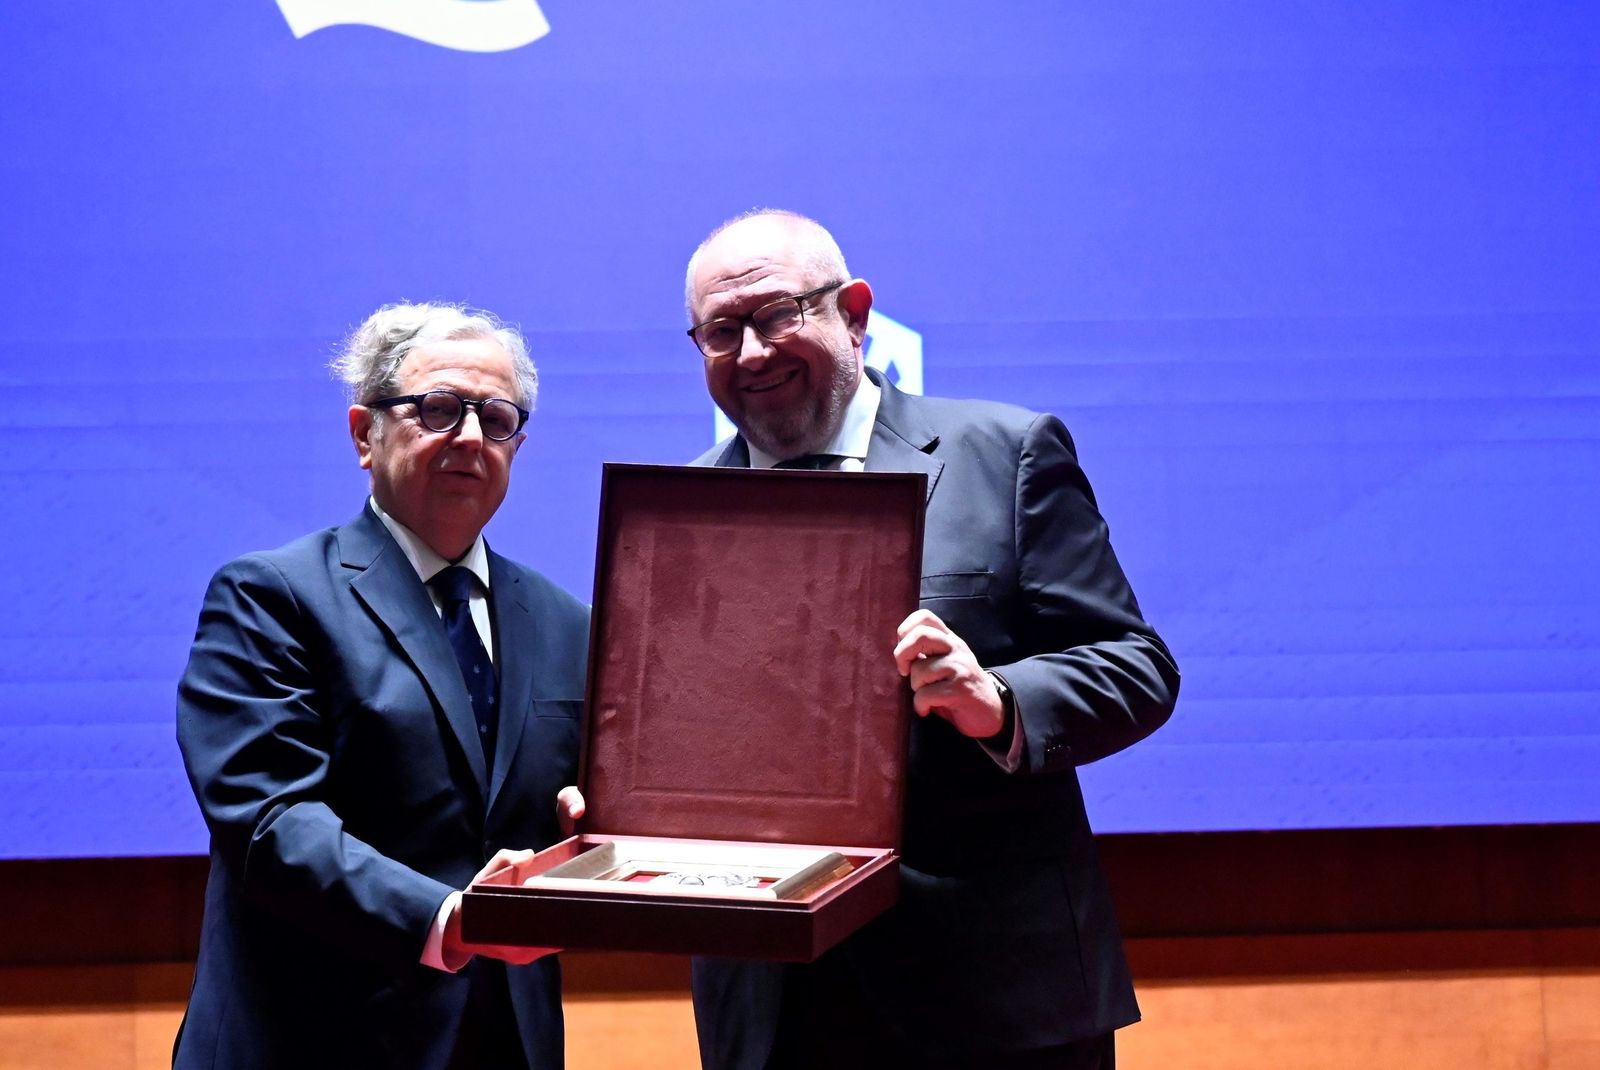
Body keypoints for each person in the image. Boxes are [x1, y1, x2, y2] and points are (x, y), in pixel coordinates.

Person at [683, 211, 1180, 1069]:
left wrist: (997, 700)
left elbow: (1136, 667)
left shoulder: (1006, 452)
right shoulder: (681, 509)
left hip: (993, 997)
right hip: (774, 1008)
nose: (753, 352)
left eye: (775, 315)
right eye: (722, 332)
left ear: (855, 312)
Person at [174, 303, 590, 1069]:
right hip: (313, 1040)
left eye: (495, 419)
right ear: (364, 433)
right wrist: (449, 918)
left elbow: (581, 815)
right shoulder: (272, 597)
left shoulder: (568, 624)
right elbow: (268, 820)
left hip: (504, 1043)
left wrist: (597, 833)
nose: (469, 435)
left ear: (517, 445)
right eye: (438, 409)